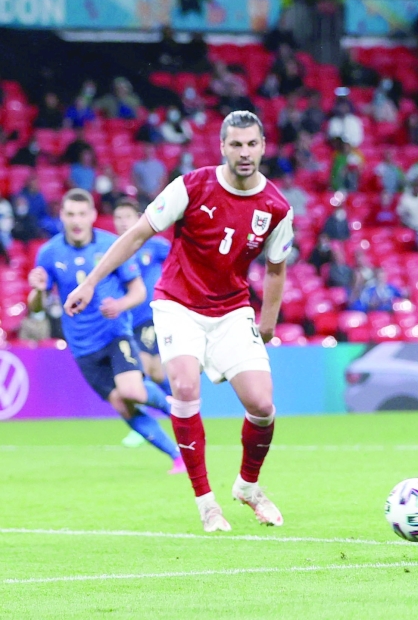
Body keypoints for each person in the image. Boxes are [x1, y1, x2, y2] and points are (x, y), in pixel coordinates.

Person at [63, 111, 294, 533]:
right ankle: (206, 503)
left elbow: (275, 269)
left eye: (252, 144)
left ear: (263, 146)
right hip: (178, 304)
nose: (244, 152)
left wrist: (267, 324)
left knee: (262, 405)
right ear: (223, 146)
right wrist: (92, 282)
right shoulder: (190, 186)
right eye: (236, 144)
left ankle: (247, 486)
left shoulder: (276, 207)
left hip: (232, 310)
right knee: (185, 386)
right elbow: (136, 234)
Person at [29, 189, 182, 473]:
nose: (76, 220)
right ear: (61, 216)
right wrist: (38, 291)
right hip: (82, 346)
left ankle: (179, 408)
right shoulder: (49, 252)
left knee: (132, 390)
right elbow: (36, 308)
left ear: (93, 216)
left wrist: (120, 304)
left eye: (82, 214)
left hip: (114, 333)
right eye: (70, 214)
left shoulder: (112, 246)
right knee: (123, 406)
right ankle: (177, 456)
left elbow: (137, 291)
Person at [113, 200, 173, 447]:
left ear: (138, 218)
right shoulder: (113, 250)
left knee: (141, 371)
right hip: (128, 321)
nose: (123, 221)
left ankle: (142, 427)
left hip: (151, 316)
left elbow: (181, 263)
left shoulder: (156, 246)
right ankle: (184, 408)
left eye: (127, 216)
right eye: (118, 217)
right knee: (158, 373)